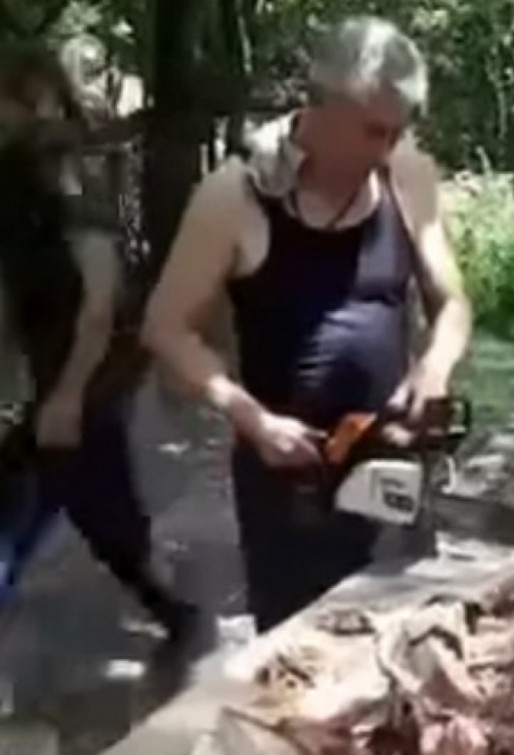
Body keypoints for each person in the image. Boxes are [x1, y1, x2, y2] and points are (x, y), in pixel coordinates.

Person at [142, 16, 473, 632]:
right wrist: (250, 418)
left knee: (405, 640)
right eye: (373, 130)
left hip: (391, 460)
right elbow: (165, 327)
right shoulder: (234, 197)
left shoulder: (407, 175)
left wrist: (435, 367)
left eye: (398, 131)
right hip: (288, 481)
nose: (386, 147)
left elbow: (452, 303)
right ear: (319, 107)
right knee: (299, 654)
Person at [0, 44, 197, 641]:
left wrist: (67, 394)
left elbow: (99, 301)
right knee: (87, 510)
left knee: (76, 513)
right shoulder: (16, 178)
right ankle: (171, 611)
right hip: (40, 387)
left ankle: (173, 612)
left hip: (76, 386)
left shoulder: (67, 175)